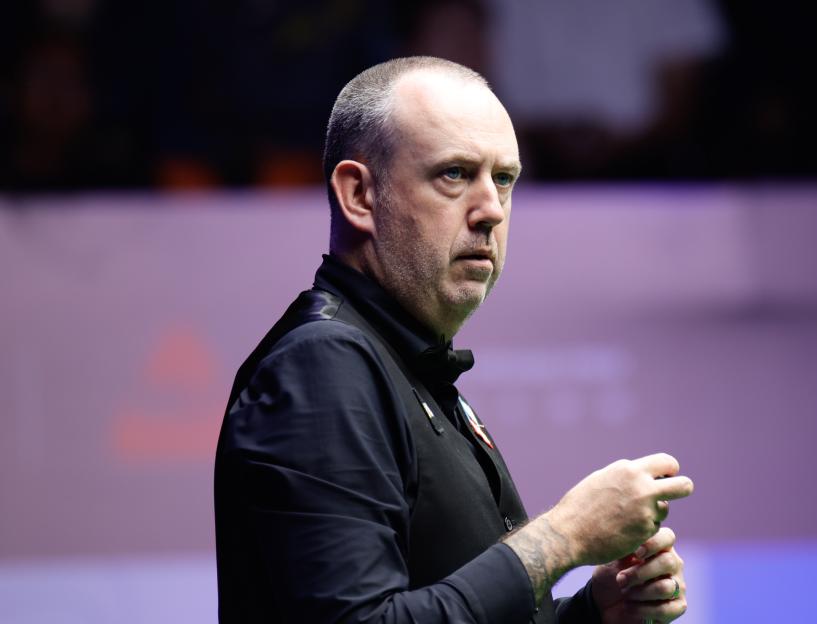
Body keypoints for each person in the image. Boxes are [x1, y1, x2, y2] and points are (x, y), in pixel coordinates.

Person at [214, 56, 694, 624]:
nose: (491, 209)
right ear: (359, 195)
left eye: (505, 179)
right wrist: (564, 537)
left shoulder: (405, 364)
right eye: (455, 174)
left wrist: (592, 614)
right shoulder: (324, 364)